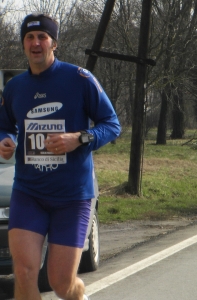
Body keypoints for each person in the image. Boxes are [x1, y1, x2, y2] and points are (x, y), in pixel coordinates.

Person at [0, 13, 121, 300]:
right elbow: (5, 125)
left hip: (72, 196)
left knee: (61, 283)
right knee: (25, 273)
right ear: (23, 44)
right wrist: (6, 139)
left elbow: (111, 124)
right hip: (29, 193)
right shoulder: (15, 87)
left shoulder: (79, 79)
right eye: (29, 37)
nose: (36, 43)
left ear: (54, 42)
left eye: (42, 36)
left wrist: (78, 138)